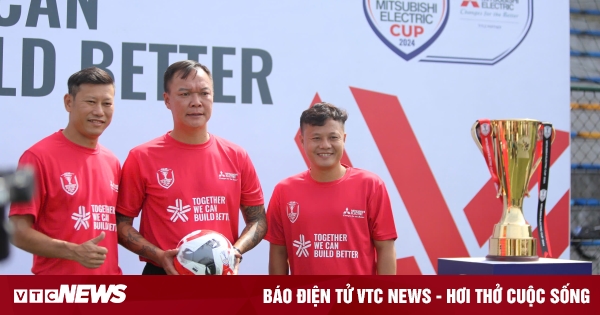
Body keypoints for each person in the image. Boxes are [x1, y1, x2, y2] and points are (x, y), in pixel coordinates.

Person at [116, 60, 266, 275]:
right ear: (167, 100)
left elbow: (258, 220)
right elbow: (120, 225)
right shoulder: (142, 157)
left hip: (221, 277)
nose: (196, 102)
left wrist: (234, 251)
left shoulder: (237, 156)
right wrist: (158, 255)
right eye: (185, 94)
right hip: (162, 275)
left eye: (204, 93)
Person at [9, 67, 121, 275]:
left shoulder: (112, 161)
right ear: (69, 102)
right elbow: (17, 231)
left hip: (108, 296)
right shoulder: (37, 158)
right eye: (90, 102)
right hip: (59, 296)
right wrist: (73, 251)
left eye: (107, 103)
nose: (99, 111)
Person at [265, 102, 397, 275]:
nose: (325, 145)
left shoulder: (371, 185)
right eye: (316, 138)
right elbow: (279, 253)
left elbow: (385, 248)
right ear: (302, 141)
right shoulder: (284, 191)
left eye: (333, 137)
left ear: (344, 139)